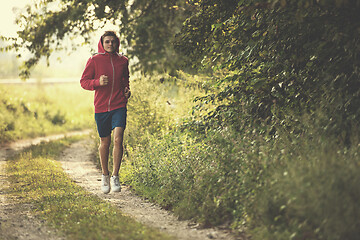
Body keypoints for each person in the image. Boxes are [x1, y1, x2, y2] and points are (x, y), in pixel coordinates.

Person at [80, 31, 131, 194]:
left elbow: (125, 80)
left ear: (117, 43)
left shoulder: (123, 61)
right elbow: (84, 82)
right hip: (101, 107)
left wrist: (127, 91)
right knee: (105, 142)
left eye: (113, 42)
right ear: (102, 43)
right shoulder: (94, 60)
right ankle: (105, 175)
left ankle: (115, 176)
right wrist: (97, 82)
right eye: (107, 42)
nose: (110, 44)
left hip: (119, 105)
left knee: (118, 139)